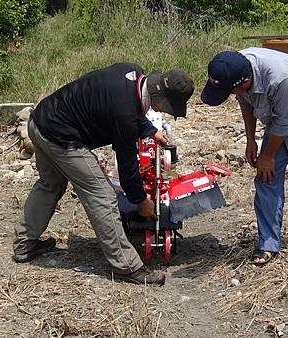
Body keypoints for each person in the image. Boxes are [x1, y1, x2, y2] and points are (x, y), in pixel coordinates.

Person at [13, 63, 194, 285]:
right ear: (160, 99)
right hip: (60, 136)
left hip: (40, 121)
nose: (164, 111)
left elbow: (127, 108)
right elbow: (128, 168)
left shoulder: (133, 73)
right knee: (103, 196)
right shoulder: (125, 115)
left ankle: (24, 244)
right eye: (167, 107)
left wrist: (150, 131)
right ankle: (127, 267)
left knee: (51, 183)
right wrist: (140, 200)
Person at [201, 48, 288, 265]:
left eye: (232, 91)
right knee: (266, 179)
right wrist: (251, 139)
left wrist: (267, 156)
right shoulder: (234, 67)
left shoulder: (280, 77)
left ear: (247, 80)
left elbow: (284, 122)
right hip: (279, 121)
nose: (233, 94)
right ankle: (268, 244)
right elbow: (245, 101)